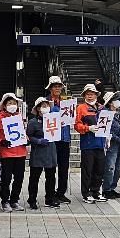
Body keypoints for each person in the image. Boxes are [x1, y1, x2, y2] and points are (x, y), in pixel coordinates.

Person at [75, 84, 108, 204]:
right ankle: (86, 193)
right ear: (84, 95)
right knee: (87, 170)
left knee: (99, 169)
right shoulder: (81, 108)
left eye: (92, 94)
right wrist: (88, 128)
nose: (90, 96)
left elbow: (107, 124)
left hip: (100, 143)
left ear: (96, 95)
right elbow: (77, 125)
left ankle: (96, 192)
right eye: (87, 94)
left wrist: (107, 137)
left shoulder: (102, 108)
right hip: (88, 144)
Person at [26, 97, 60, 210]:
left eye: (47, 105)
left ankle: (50, 199)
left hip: (50, 151)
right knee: (34, 178)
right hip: (38, 152)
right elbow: (28, 137)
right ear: (38, 108)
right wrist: (38, 141)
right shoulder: (33, 122)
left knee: (51, 177)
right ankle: (32, 199)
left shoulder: (54, 120)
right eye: (43, 106)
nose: (46, 108)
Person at [0, 93, 28, 212]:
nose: (12, 105)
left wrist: (26, 139)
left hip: (20, 151)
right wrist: (1, 141)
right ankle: (5, 201)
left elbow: (23, 132)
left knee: (19, 178)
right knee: (6, 178)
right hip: (6, 153)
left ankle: (14, 200)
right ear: (4, 105)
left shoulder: (19, 117)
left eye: (14, 103)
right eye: (10, 103)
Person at [46, 76, 72, 204]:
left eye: (59, 86)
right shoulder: (45, 102)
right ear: (50, 88)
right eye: (54, 86)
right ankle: (50, 194)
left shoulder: (66, 102)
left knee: (64, 167)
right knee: (51, 168)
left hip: (65, 137)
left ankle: (61, 192)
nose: (57, 88)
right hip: (51, 138)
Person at [102, 91, 120, 199]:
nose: (118, 101)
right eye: (115, 100)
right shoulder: (106, 114)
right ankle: (106, 189)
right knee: (110, 167)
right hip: (111, 144)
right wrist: (119, 138)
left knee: (118, 168)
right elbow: (107, 131)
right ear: (110, 102)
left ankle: (112, 187)